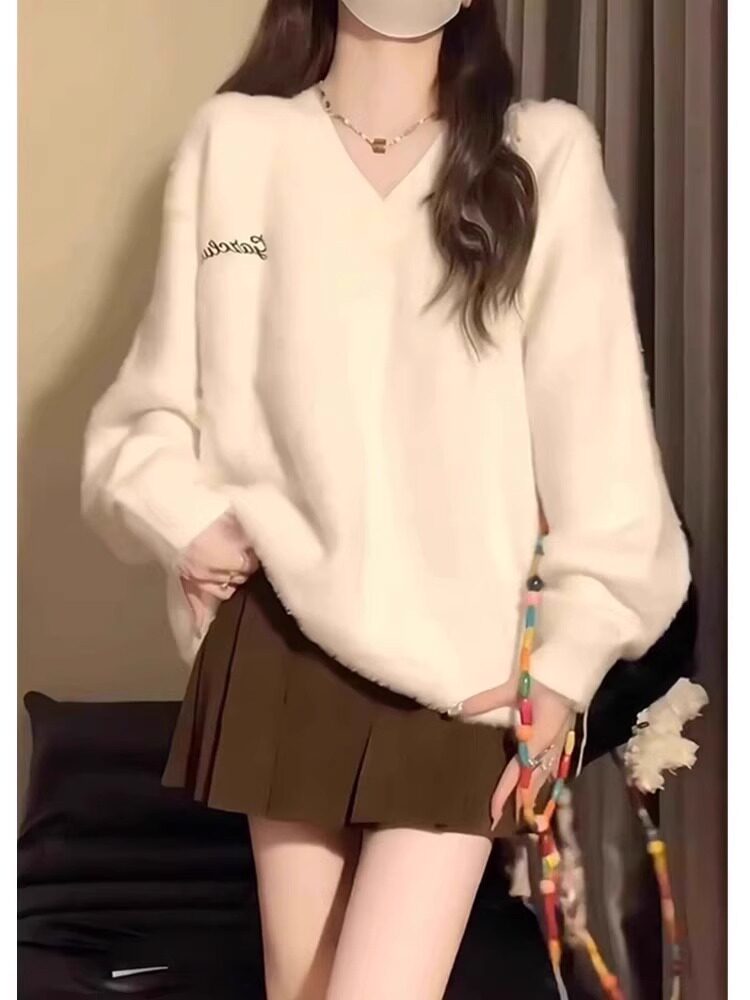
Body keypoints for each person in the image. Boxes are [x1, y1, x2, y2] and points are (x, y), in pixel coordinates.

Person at [79, 1, 692, 997]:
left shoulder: (542, 154)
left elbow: (604, 449)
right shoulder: (238, 145)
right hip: (280, 633)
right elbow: (150, 411)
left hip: (464, 666)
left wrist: (567, 665)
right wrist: (185, 519)